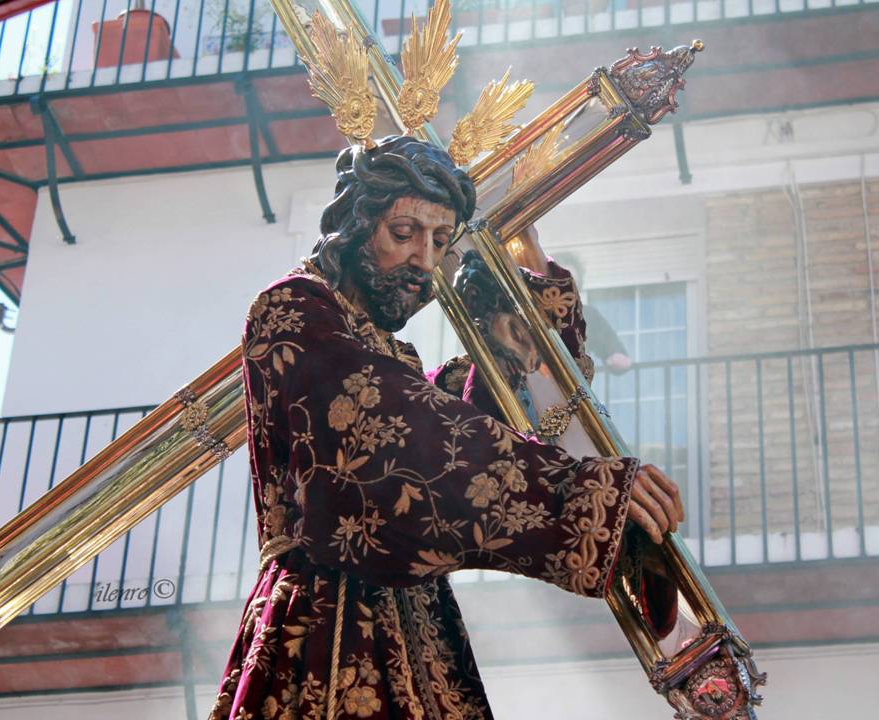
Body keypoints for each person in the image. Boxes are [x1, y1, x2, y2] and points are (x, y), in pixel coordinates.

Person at [208, 136, 683, 720]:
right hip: (327, 627)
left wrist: (523, 314)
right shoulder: (293, 310)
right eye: (404, 233)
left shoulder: (390, 354)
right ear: (357, 227)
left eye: (439, 240)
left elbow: (472, 418)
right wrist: (584, 495)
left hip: (421, 630)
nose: (424, 261)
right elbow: (398, 441)